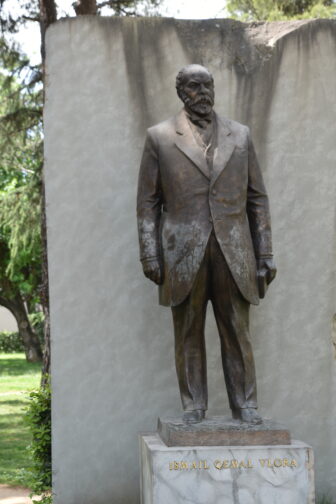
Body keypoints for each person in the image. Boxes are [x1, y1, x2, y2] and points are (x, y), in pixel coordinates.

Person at [137, 64, 276, 424]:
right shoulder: (160, 137)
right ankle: (193, 406)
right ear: (181, 91)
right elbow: (148, 203)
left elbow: (257, 198)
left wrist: (265, 253)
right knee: (187, 331)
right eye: (194, 86)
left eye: (207, 85)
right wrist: (150, 253)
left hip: (235, 250)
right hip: (181, 251)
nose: (203, 92)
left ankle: (245, 404)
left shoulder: (240, 136)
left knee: (237, 330)